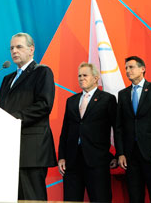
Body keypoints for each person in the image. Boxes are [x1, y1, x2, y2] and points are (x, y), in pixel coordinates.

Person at [0, 32, 57, 201]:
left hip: (31, 149)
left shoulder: (42, 72)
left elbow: (44, 105)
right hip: (9, 149)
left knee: (31, 197)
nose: (14, 51)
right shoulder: (7, 79)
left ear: (31, 49)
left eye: (19, 47)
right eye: (12, 48)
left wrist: (13, 119)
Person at [58, 63, 117, 202]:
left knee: (100, 198)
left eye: (85, 75)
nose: (81, 78)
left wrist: (119, 154)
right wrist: (62, 156)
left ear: (96, 78)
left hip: (97, 160)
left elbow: (118, 128)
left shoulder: (107, 99)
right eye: (79, 76)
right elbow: (65, 131)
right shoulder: (71, 101)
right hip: (72, 161)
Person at [115, 56, 151, 203]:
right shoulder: (123, 94)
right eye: (126, 68)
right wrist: (120, 153)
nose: (127, 71)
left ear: (142, 69)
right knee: (135, 196)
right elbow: (119, 127)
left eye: (131, 67)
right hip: (131, 155)